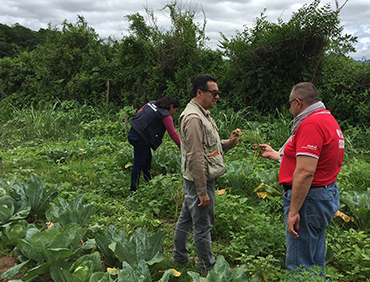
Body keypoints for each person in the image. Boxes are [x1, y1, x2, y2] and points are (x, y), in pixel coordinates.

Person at [256, 82, 344, 273]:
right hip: (322, 195)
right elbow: (308, 161)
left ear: (298, 102)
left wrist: (293, 211)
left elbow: (305, 172)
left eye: (289, 104)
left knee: (300, 265)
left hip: (309, 200)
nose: (289, 109)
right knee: (314, 257)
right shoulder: (327, 119)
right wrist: (275, 154)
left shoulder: (311, 124)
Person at [173, 74, 241, 274]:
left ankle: (179, 257)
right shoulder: (193, 119)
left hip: (196, 179)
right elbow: (195, 156)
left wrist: (229, 143)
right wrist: (202, 190)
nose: (217, 97)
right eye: (214, 93)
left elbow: (208, 148)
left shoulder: (202, 114)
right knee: (203, 225)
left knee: (186, 218)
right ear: (199, 92)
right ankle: (208, 269)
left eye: (218, 93)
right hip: (199, 180)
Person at [128, 96, 181, 194]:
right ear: (171, 106)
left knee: (147, 159)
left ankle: (149, 183)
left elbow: (139, 112)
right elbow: (172, 133)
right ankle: (133, 191)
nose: (174, 113)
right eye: (175, 110)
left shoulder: (151, 103)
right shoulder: (166, 116)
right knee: (138, 164)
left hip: (132, 132)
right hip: (141, 139)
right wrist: (182, 147)